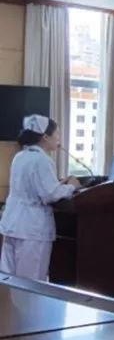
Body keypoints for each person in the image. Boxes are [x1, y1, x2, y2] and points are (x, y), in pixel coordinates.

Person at [0, 115, 80, 280]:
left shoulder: (20, 156)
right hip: (32, 230)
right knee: (31, 282)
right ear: (45, 137)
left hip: (12, 225)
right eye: (57, 134)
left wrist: (57, 184)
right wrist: (72, 186)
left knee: (10, 280)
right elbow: (49, 195)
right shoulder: (42, 159)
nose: (58, 139)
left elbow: (32, 187)